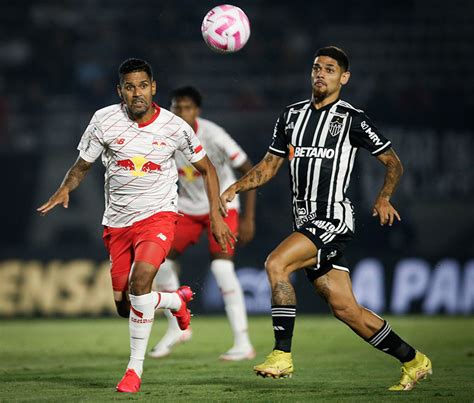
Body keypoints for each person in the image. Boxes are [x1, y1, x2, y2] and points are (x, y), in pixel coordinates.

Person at [221, 46, 432, 391]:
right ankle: (414, 360)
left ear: (343, 78)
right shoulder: (290, 116)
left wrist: (383, 197)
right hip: (304, 223)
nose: (320, 73)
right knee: (345, 309)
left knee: (276, 264)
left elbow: (394, 162)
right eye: (317, 68)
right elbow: (270, 166)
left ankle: (281, 355)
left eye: (330, 69)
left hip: (333, 219)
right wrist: (235, 189)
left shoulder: (352, 119)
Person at [37, 58, 236, 393]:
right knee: (124, 306)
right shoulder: (103, 120)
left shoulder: (174, 127)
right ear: (120, 91)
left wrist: (216, 215)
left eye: (143, 85)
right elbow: (82, 165)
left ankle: (133, 370)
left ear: (153, 87)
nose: (137, 92)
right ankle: (174, 301)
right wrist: (64, 187)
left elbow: (208, 169)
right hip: (116, 223)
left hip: (158, 216)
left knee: (141, 281)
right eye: (130, 87)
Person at [150, 86, 256, 361]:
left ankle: (243, 343)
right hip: (186, 208)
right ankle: (177, 327)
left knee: (221, 269)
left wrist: (248, 218)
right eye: (176, 107)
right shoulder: (166, 135)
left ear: (197, 111)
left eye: (186, 107)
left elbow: (250, 171)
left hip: (222, 206)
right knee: (160, 262)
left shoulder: (214, 135)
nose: (180, 112)